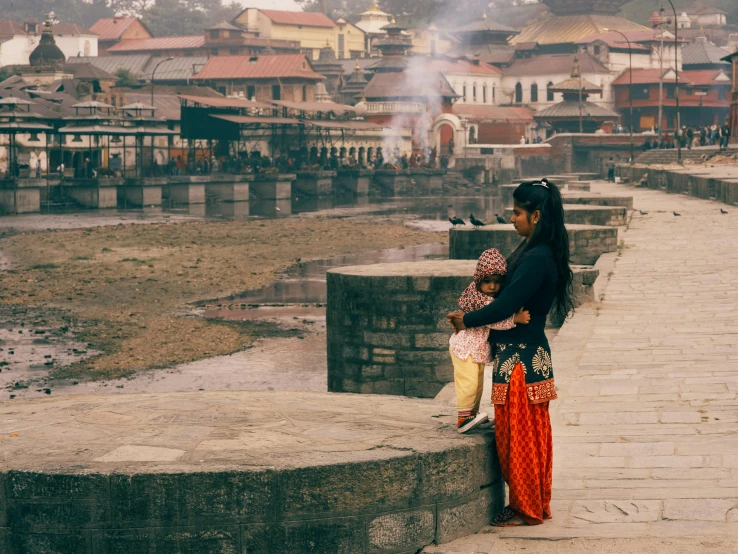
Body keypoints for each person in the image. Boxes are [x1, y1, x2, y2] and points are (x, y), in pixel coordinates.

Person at [448, 178, 574, 527]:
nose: (512, 218)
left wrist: (466, 320)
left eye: (517, 213)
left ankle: (528, 508)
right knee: (519, 436)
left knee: (521, 437)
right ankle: (531, 504)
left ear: (535, 216)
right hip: (518, 357)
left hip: (522, 361)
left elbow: (505, 305)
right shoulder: (534, 252)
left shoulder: (536, 258)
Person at [449, 248, 530, 433]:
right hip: (465, 348)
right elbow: (493, 320)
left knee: (477, 384)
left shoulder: (486, 296)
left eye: (496, 282)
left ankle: (472, 415)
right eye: (487, 282)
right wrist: (515, 319)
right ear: (479, 280)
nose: (492, 286)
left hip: (475, 350)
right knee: (468, 383)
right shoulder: (481, 300)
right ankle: (463, 418)